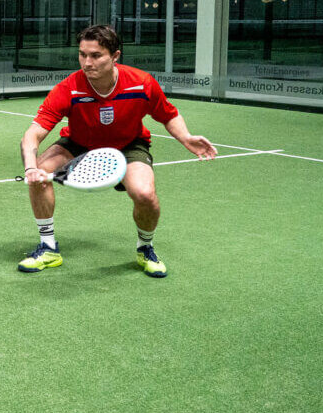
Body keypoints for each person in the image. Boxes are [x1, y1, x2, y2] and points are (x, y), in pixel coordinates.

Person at [18, 24, 217, 277]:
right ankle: (48, 248)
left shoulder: (141, 83)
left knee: (145, 194)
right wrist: (30, 167)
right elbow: (32, 134)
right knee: (39, 176)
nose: (87, 62)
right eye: (82, 54)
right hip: (80, 143)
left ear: (115, 56)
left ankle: (145, 248)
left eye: (95, 55)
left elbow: (168, 115)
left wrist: (186, 137)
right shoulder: (69, 88)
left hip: (128, 145)